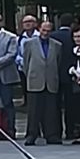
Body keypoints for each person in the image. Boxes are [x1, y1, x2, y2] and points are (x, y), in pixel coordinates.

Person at [21, 18, 64, 146]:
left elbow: (58, 62)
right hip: (35, 81)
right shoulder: (29, 44)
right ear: (39, 29)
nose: (45, 33)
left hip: (50, 81)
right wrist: (30, 75)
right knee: (33, 111)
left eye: (48, 31)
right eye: (43, 30)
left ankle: (51, 135)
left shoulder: (57, 45)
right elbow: (26, 63)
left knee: (51, 111)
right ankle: (32, 135)